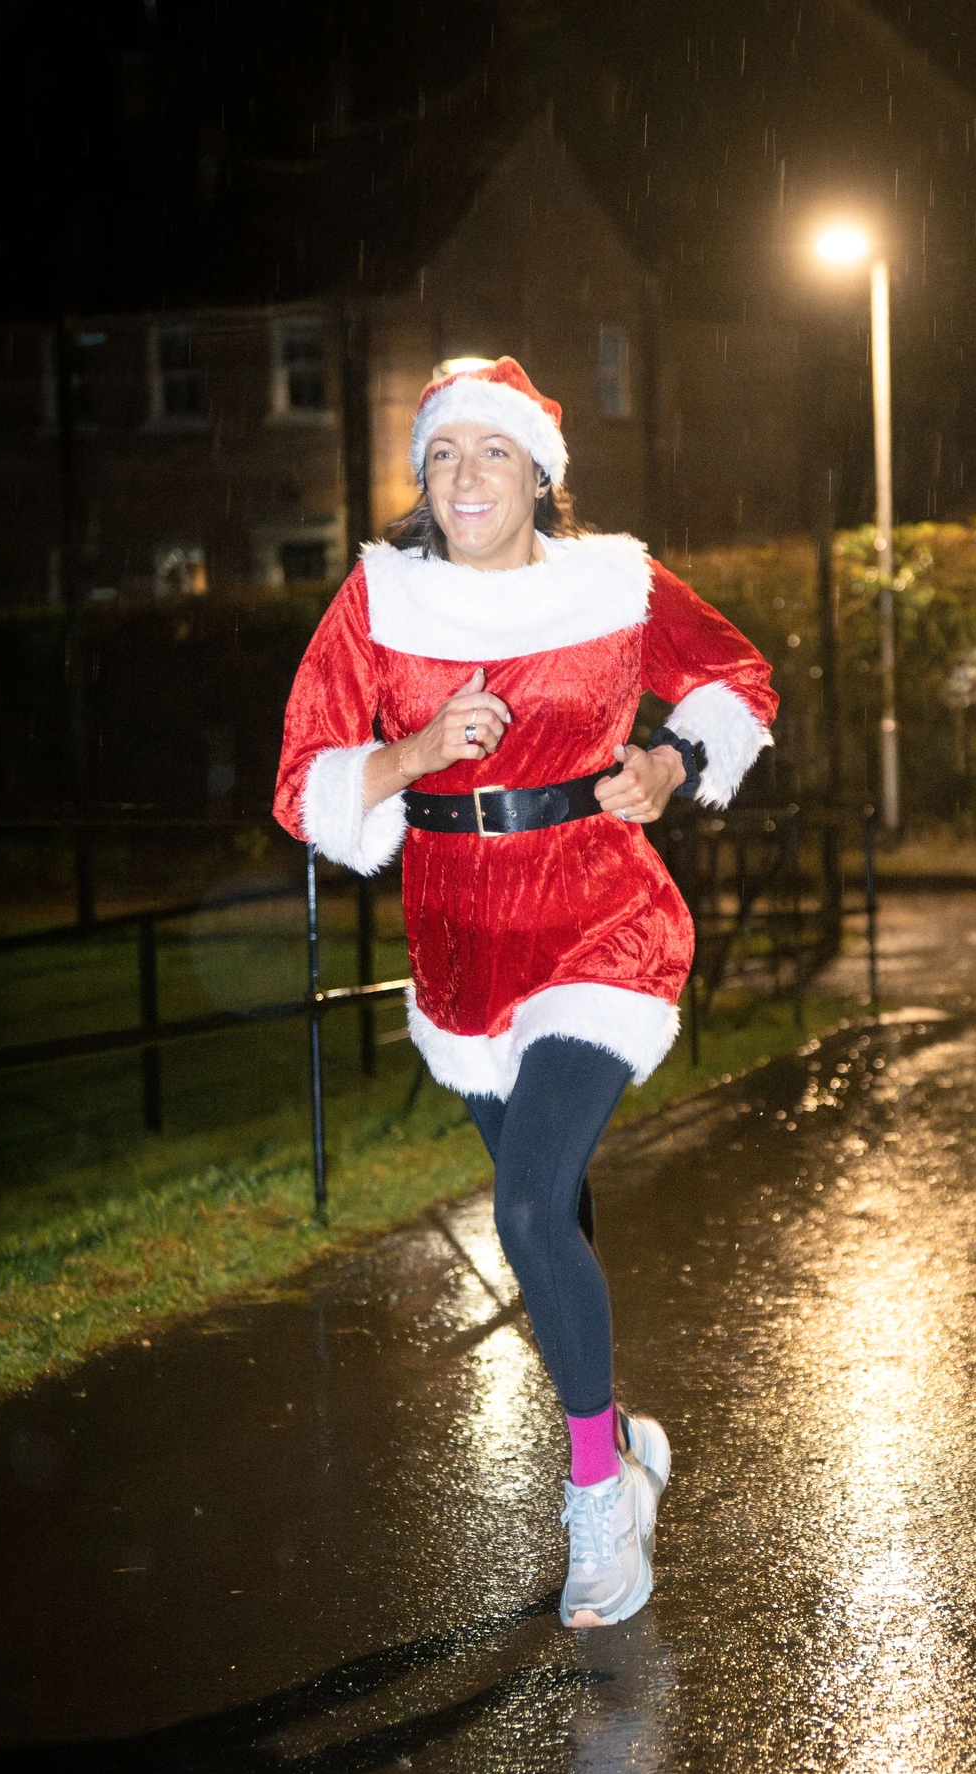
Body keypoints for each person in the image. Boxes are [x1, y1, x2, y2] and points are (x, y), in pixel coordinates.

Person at [272, 356, 777, 1627]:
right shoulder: (381, 598)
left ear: (541, 474)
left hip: (599, 913)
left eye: (493, 453)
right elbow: (307, 782)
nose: (465, 477)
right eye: (444, 455)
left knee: (531, 1203)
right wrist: (420, 749)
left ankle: (599, 1496)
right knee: (548, 1221)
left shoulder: (611, 580)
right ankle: (624, 1435)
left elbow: (736, 677)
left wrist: (666, 762)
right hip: (460, 942)